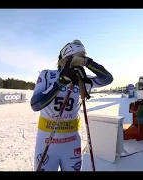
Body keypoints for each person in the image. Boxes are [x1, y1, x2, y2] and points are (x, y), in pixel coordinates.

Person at [30, 40, 113, 171]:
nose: (77, 63)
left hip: (72, 140)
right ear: (64, 59)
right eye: (74, 59)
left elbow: (107, 78)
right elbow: (35, 105)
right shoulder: (48, 75)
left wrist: (88, 63)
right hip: (47, 139)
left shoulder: (83, 79)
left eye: (81, 59)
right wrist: (60, 82)